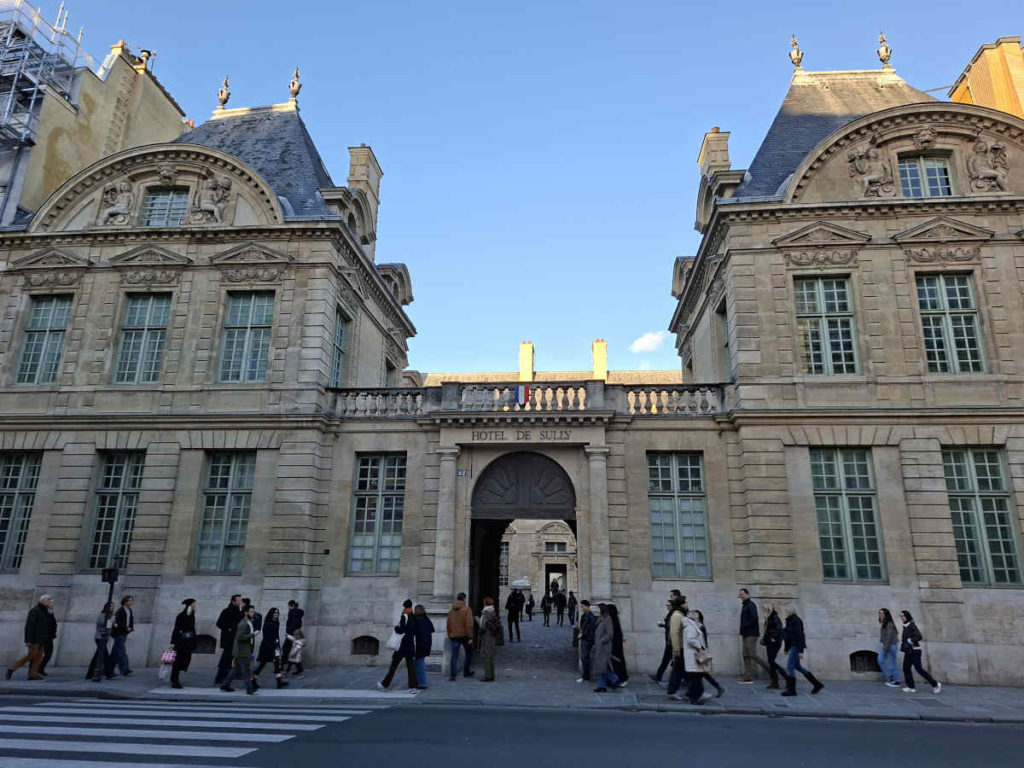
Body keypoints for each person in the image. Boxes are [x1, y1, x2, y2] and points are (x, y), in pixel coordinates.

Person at [6, 594, 54, 681]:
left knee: (38, 657)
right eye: (49, 600)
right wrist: (28, 640)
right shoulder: (35, 611)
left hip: (42, 639)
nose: (51, 601)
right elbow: (29, 626)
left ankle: (32, 675)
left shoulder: (46, 611)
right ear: (42, 601)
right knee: (30, 656)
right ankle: (12, 668)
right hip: (35, 639)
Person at [780, 606, 824, 696]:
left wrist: (800, 651)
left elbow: (800, 636)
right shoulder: (789, 621)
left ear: (791, 612)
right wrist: (786, 648)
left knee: (790, 667)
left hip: (796, 646)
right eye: (786, 612)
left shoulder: (796, 621)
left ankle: (792, 690)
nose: (786, 613)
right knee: (797, 667)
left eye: (787, 612)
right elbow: (788, 636)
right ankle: (817, 684)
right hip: (792, 645)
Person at [377, 599, 418, 691]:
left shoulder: (404, 616)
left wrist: (396, 628)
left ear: (404, 606)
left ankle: (384, 684)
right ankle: (413, 686)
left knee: (394, 665)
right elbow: (414, 631)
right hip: (410, 645)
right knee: (410, 666)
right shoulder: (413, 616)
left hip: (402, 645)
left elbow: (402, 630)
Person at [899, 610, 940, 694]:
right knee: (906, 668)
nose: (902, 618)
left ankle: (935, 684)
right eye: (901, 616)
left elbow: (919, 636)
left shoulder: (911, 625)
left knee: (919, 669)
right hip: (909, 650)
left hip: (915, 650)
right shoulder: (906, 626)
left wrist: (910, 640)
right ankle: (911, 687)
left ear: (907, 616)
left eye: (903, 616)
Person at [737, 588, 774, 684]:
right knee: (745, 655)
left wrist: (746, 625)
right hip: (745, 633)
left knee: (752, 654)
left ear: (747, 594)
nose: (741, 596)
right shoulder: (745, 605)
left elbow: (754, 618)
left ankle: (771, 670)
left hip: (751, 633)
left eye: (742, 594)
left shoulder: (751, 605)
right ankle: (747, 676)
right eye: (740, 594)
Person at [221, 603, 258, 694]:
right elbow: (240, 637)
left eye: (253, 611)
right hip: (242, 651)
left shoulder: (249, 622)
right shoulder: (244, 623)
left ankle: (225, 685)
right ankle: (249, 688)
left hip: (243, 650)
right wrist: (253, 634)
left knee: (236, 670)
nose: (253, 613)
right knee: (246, 670)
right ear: (246, 613)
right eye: (251, 612)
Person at [651, 590, 684, 684]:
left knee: (676, 661)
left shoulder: (677, 612)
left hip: (673, 641)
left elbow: (675, 629)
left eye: (672, 596)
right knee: (669, 660)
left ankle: (673, 680)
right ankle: (660, 676)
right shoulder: (674, 612)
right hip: (671, 640)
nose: (671, 597)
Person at [254, 607, 289, 689]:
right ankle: (253, 679)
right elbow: (267, 637)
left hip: (274, 646)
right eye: (275, 613)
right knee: (262, 664)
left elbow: (276, 636)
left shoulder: (276, 622)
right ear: (271, 614)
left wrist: (278, 647)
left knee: (277, 663)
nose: (276, 614)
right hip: (267, 647)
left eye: (277, 613)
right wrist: (274, 646)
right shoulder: (268, 623)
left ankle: (279, 681)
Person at [214, 594, 243, 685]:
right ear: (233, 601)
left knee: (229, 659)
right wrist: (229, 628)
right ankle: (219, 677)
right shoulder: (226, 611)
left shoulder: (239, 611)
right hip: (228, 639)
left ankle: (225, 676)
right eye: (239, 600)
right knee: (226, 658)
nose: (240, 602)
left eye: (241, 600)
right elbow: (219, 623)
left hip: (236, 639)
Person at [694, 610, 724, 697]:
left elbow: (703, 641)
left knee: (701, 673)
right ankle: (717, 687)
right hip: (700, 651)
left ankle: (716, 688)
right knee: (701, 673)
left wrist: (703, 651)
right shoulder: (698, 626)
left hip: (700, 651)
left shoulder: (700, 627)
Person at [761, 602, 790, 690]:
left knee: (772, 662)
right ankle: (775, 682)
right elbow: (768, 631)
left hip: (775, 642)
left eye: (764, 610)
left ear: (769, 610)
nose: (763, 611)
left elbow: (779, 630)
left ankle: (787, 678)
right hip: (770, 642)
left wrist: (773, 638)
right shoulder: (769, 618)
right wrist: (764, 639)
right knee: (771, 662)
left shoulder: (774, 618)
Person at [446, 592, 475, 681]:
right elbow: (469, 624)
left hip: (454, 635)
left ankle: (453, 675)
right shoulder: (467, 609)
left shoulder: (452, 610)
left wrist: (449, 633)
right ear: (464, 599)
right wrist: (470, 636)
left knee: (454, 656)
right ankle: (466, 672)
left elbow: (448, 623)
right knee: (468, 653)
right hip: (465, 635)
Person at [591, 603, 619, 692]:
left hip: (604, 648)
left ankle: (614, 679)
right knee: (602, 668)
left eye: (598, 608)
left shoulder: (608, 619)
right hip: (599, 647)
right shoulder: (600, 619)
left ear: (602, 609)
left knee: (604, 667)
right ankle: (602, 686)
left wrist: (601, 640)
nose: (597, 610)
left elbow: (610, 634)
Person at [170, 598, 197, 689]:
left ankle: (175, 679)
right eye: (194, 604)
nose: (195, 606)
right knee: (178, 661)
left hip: (186, 642)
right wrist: (173, 642)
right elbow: (177, 629)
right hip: (182, 642)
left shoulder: (190, 615)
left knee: (182, 660)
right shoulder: (183, 615)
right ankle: (174, 680)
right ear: (190, 605)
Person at [106, 595, 135, 678]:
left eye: (132, 600)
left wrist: (131, 628)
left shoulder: (129, 610)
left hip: (124, 633)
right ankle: (125, 669)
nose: (131, 602)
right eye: (129, 600)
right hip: (119, 633)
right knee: (121, 651)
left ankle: (108, 669)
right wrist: (126, 628)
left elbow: (130, 620)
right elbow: (118, 622)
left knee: (115, 653)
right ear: (125, 601)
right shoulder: (120, 610)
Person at [86, 601, 114, 682]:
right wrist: (111, 621)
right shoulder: (103, 615)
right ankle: (109, 673)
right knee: (105, 656)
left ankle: (90, 674)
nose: (111, 608)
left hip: (105, 638)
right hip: (100, 638)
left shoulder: (110, 616)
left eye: (112, 606)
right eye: (110, 606)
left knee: (97, 656)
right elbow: (101, 624)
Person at [478, 597, 501, 682]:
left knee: (487, 655)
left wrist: (479, 632)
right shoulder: (492, 611)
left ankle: (488, 676)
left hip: (487, 635)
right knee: (490, 655)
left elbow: (483, 625)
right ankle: (491, 675)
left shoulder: (486, 612)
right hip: (491, 635)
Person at [878, 608, 901, 688]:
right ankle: (891, 677)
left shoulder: (889, 624)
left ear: (886, 615)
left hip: (891, 645)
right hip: (887, 645)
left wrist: (885, 647)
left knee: (892, 663)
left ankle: (897, 681)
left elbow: (889, 636)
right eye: (879, 613)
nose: (880, 615)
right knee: (880, 660)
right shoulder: (885, 623)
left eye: (882, 613)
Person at [413, 604, 435, 690]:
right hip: (427, 642)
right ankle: (418, 681)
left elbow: (414, 631)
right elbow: (432, 629)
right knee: (418, 662)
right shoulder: (427, 619)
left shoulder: (416, 620)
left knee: (419, 662)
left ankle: (423, 683)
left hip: (419, 643)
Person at [607, 603, 628, 685]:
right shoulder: (614, 619)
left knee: (618, 663)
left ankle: (622, 678)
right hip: (615, 645)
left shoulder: (613, 621)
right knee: (615, 663)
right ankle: (616, 678)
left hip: (615, 646)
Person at [37, 598, 58, 678]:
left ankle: (40, 668)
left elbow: (52, 623)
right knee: (35, 655)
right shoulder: (39, 611)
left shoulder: (49, 612)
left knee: (48, 654)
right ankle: (35, 670)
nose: (52, 604)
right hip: (42, 637)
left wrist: (53, 632)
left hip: (49, 637)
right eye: (50, 602)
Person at [280, 599, 304, 669]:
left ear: (292, 605)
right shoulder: (298, 613)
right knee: (293, 652)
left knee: (286, 650)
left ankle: (282, 668)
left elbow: (292, 624)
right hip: (296, 635)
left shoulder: (292, 612)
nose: (288, 608)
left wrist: (288, 633)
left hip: (291, 635)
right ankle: (297, 671)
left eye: (289, 606)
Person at [576, 600, 595, 683]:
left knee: (585, 657)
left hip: (588, 639)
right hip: (585, 638)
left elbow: (590, 628)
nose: (581, 608)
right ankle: (585, 675)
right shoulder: (584, 616)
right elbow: (582, 626)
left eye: (582, 606)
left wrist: (582, 634)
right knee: (584, 658)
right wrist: (580, 632)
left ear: (587, 606)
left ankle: (586, 676)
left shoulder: (591, 616)